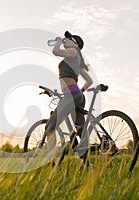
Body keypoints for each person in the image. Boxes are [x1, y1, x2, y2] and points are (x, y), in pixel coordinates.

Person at [45, 31, 93, 163]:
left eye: (69, 39)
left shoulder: (73, 51)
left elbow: (56, 52)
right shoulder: (76, 61)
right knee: (80, 130)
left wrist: (59, 42)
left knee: (50, 126)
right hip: (76, 95)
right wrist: (80, 92)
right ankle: (87, 164)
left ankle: (50, 162)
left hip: (71, 95)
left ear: (76, 44)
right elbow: (89, 81)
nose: (66, 40)